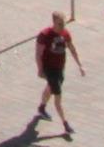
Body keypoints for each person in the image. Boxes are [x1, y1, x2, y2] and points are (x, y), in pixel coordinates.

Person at [30, 9, 85, 137]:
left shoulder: (65, 33)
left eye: (63, 24)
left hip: (60, 68)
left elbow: (72, 48)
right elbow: (38, 54)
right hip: (49, 69)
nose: (62, 27)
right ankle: (65, 124)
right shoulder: (44, 35)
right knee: (58, 97)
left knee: (50, 88)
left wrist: (80, 65)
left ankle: (41, 108)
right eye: (60, 24)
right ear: (54, 22)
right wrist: (40, 69)